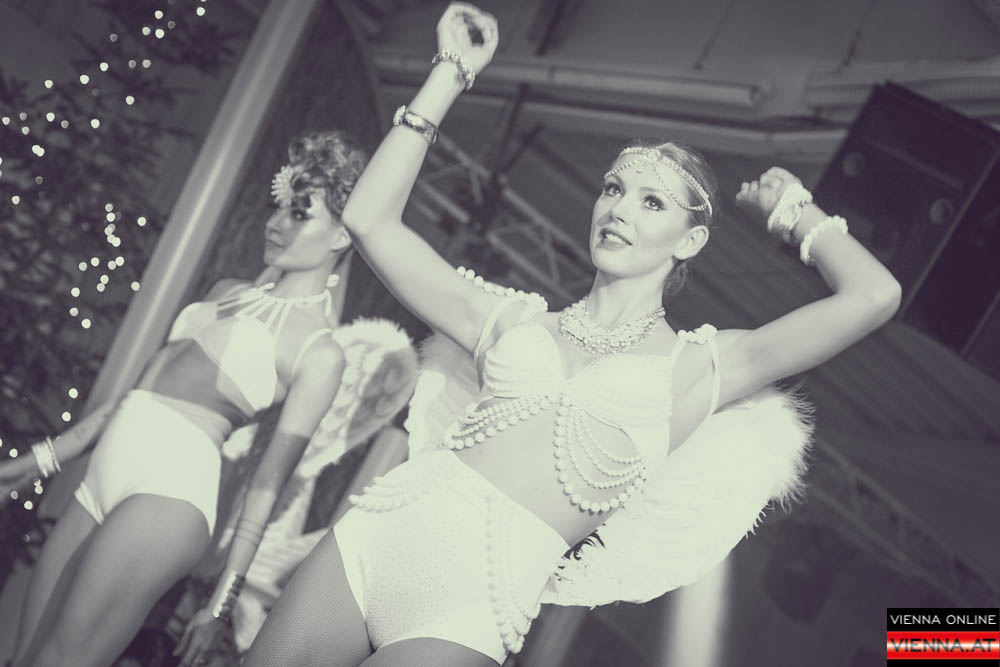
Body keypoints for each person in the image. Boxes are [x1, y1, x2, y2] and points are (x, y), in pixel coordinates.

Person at [242, 4, 902, 667]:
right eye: (613, 188)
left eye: (651, 202)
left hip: (472, 607)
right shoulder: (508, 319)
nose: (618, 208)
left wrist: (795, 213)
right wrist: (451, 70)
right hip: (379, 532)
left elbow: (874, 296)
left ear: (691, 240)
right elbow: (369, 220)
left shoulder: (702, 368)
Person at [0, 130, 368, 667]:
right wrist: (41, 460)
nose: (276, 223)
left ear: (341, 235)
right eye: (278, 207)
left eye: (299, 213)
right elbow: (138, 393)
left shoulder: (320, 352)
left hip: (169, 499)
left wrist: (222, 600)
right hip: (100, 477)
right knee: (22, 656)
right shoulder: (227, 291)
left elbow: (267, 482)